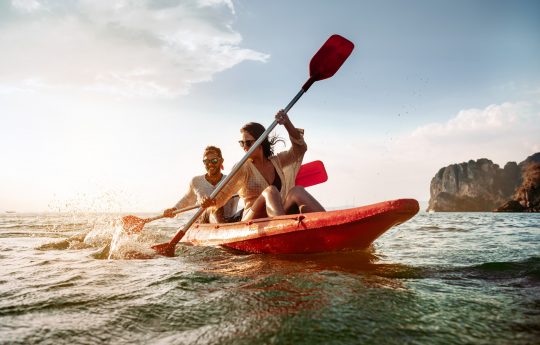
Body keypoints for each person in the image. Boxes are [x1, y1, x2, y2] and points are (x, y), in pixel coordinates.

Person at [201, 110, 324, 220]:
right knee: (270, 191)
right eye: (242, 143)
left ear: (261, 142)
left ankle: (327, 221)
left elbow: (300, 148)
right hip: (252, 218)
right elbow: (222, 196)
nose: (244, 147)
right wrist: (208, 201)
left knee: (297, 190)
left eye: (248, 143)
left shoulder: (277, 161)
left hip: (277, 214)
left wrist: (287, 123)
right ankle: (281, 229)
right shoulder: (242, 167)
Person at [163, 146, 239, 223]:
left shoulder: (232, 180)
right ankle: (221, 227)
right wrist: (174, 210)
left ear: (221, 161)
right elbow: (187, 199)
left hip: (230, 221)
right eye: (206, 161)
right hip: (205, 221)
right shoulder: (196, 181)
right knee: (215, 207)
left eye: (214, 161)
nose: (210, 164)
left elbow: (247, 194)